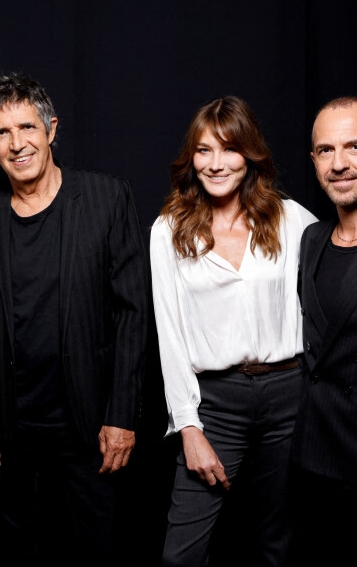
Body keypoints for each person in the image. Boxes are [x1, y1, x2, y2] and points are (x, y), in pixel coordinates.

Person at [0, 73, 148, 563]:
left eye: (27, 128)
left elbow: (133, 313)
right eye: (1, 133)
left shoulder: (107, 198)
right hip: (8, 433)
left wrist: (122, 415)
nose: (16, 144)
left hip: (91, 428)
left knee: (101, 551)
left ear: (51, 129)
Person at [150, 96, 317, 566]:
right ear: (191, 158)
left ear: (250, 154)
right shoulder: (169, 231)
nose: (216, 163)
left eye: (229, 149)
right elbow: (169, 334)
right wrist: (188, 426)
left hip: (291, 394)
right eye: (204, 150)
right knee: (180, 557)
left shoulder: (291, 219)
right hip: (216, 404)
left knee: (277, 544)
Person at [290, 96, 357, 566]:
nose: (340, 164)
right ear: (313, 161)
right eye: (326, 150)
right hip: (313, 461)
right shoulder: (312, 238)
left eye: (354, 147)